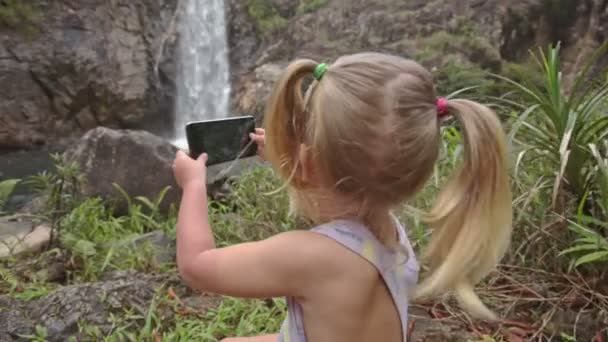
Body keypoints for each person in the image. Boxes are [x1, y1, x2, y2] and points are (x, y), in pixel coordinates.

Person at [172, 52, 513, 342]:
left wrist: (194, 186)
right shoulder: (392, 236)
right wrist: (287, 158)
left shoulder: (312, 255)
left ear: (311, 163)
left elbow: (197, 265)